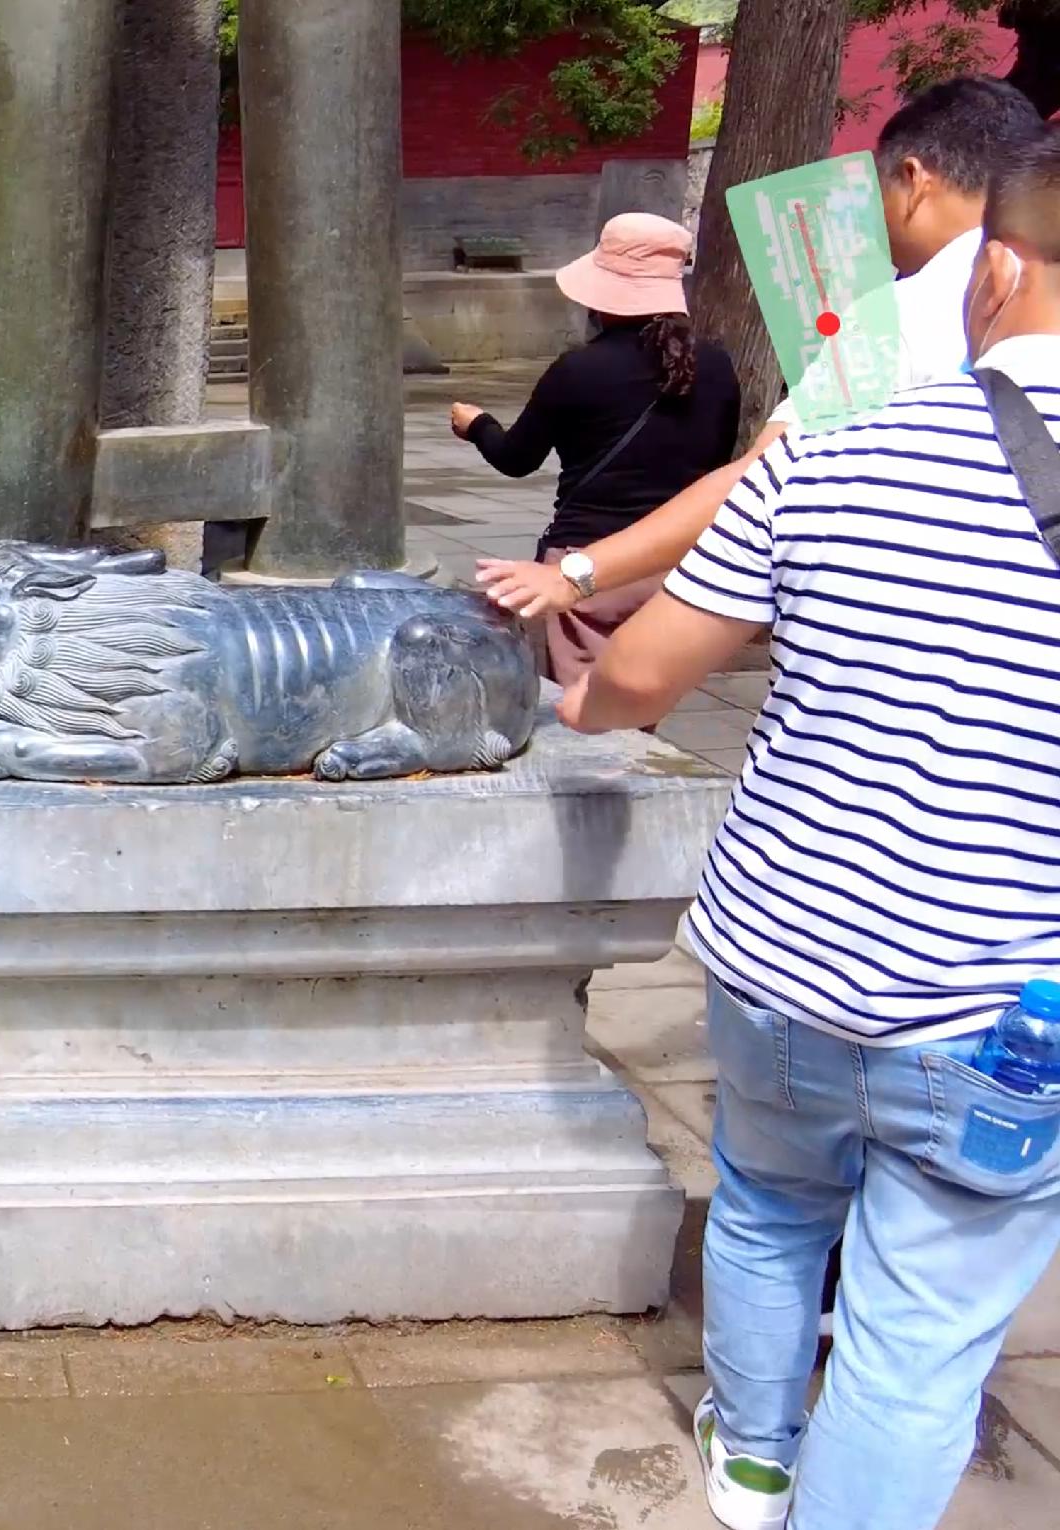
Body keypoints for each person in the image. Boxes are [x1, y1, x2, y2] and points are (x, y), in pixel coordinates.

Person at [557, 133, 1060, 1530]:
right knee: (916, 1344)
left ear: (997, 269)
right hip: (1008, 1005)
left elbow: (645, 675)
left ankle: (758, 1458)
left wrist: (579, 682)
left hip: (783, 956)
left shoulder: (839, 453)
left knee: (771, 1208)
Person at [477, 75, 1054, 623]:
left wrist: (576, 572)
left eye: (878, 196)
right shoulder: (718, 364)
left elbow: (763, 472)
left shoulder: (896, 315)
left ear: (914, 180)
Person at [447, 211, 740, 679]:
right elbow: (716, 467)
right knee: (637, 718)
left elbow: (516, 458)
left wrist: (477, 423)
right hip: (675, 570)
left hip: (587, 571)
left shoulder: (578, 370)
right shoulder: (718, 366)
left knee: (577, 721)